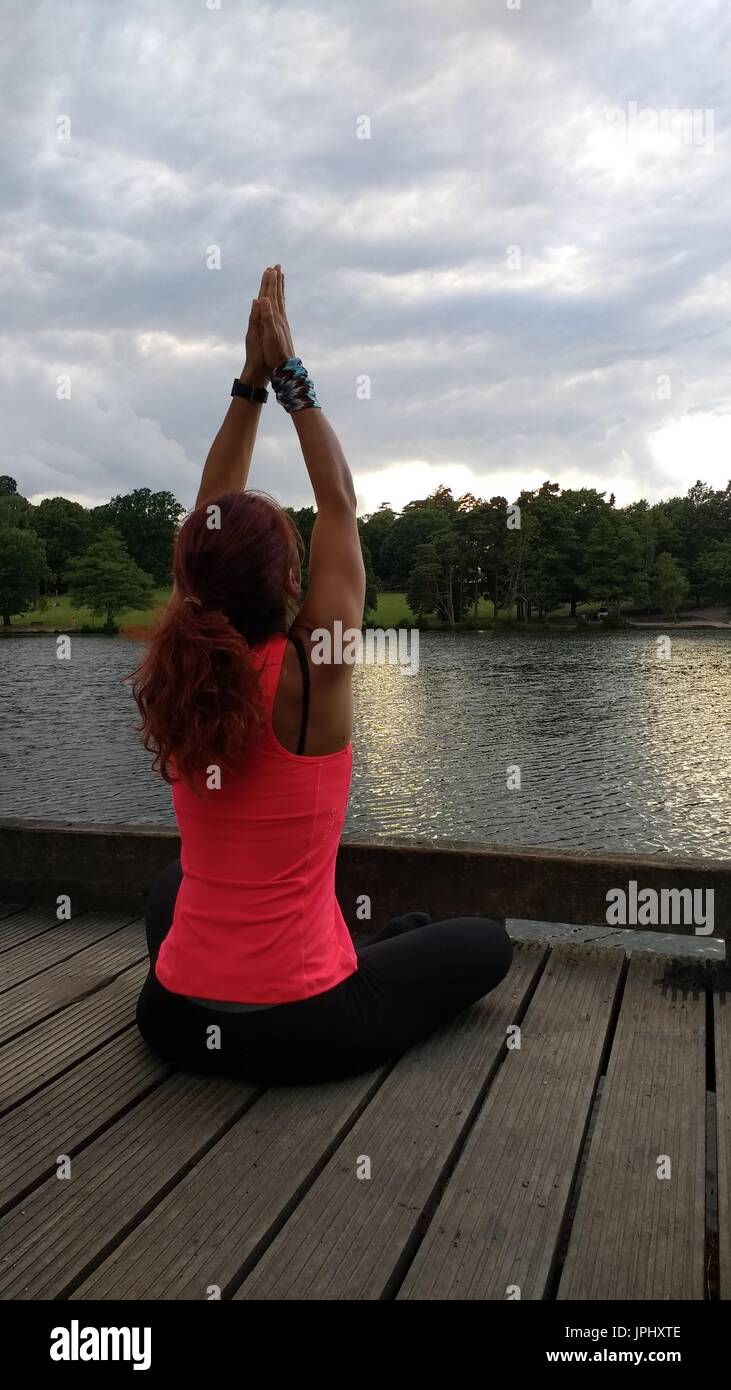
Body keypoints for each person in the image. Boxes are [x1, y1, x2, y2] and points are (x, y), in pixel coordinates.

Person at [132, 265, 513, 1085]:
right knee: (487, 943)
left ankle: (371, 939)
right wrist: (290, 377)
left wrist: (246, 385)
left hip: (171, 1016)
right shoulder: (315, 665)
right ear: (287, 582)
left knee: (175, 882)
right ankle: (367, 948)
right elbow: (338, 503)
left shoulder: (177, 658)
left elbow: (210, 511)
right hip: (298, 1028)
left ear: (193, 573)